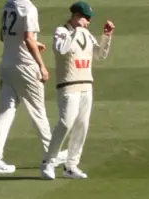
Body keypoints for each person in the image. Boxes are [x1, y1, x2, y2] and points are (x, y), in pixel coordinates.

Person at [0, 0, 63, 174]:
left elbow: (3, 37)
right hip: (26, 67)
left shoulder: (7, 6)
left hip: (6, 65)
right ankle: (51, 156)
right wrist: (41, 65)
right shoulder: (29, 8)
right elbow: (28, 38)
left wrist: (36, 44)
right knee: (38, 112)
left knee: (5, 112)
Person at [40, 2, 114, 180]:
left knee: (82, 125)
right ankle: (48, 162)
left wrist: (106, 36)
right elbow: (61, 49)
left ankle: (71, 166)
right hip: (68, 85)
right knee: (66, 123)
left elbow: (100, 55)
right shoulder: (61, 31)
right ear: (76, 16)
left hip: (86, 86)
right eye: (86, 18)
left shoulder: (86, 34)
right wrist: (77, 31)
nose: (88, 22)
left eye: (89, 19)